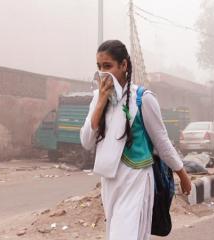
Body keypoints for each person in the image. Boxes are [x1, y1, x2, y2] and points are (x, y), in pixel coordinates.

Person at [80, 40, 191, 240]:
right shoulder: (98, 98)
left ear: (124, 65)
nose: (103, 73)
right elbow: (87, 141)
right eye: (99, 67)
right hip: (110, 181)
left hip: (137, 178)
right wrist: (100, 103)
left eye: (108, 66)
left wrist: (182, 173)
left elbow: (162, 142)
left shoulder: (143, 98)